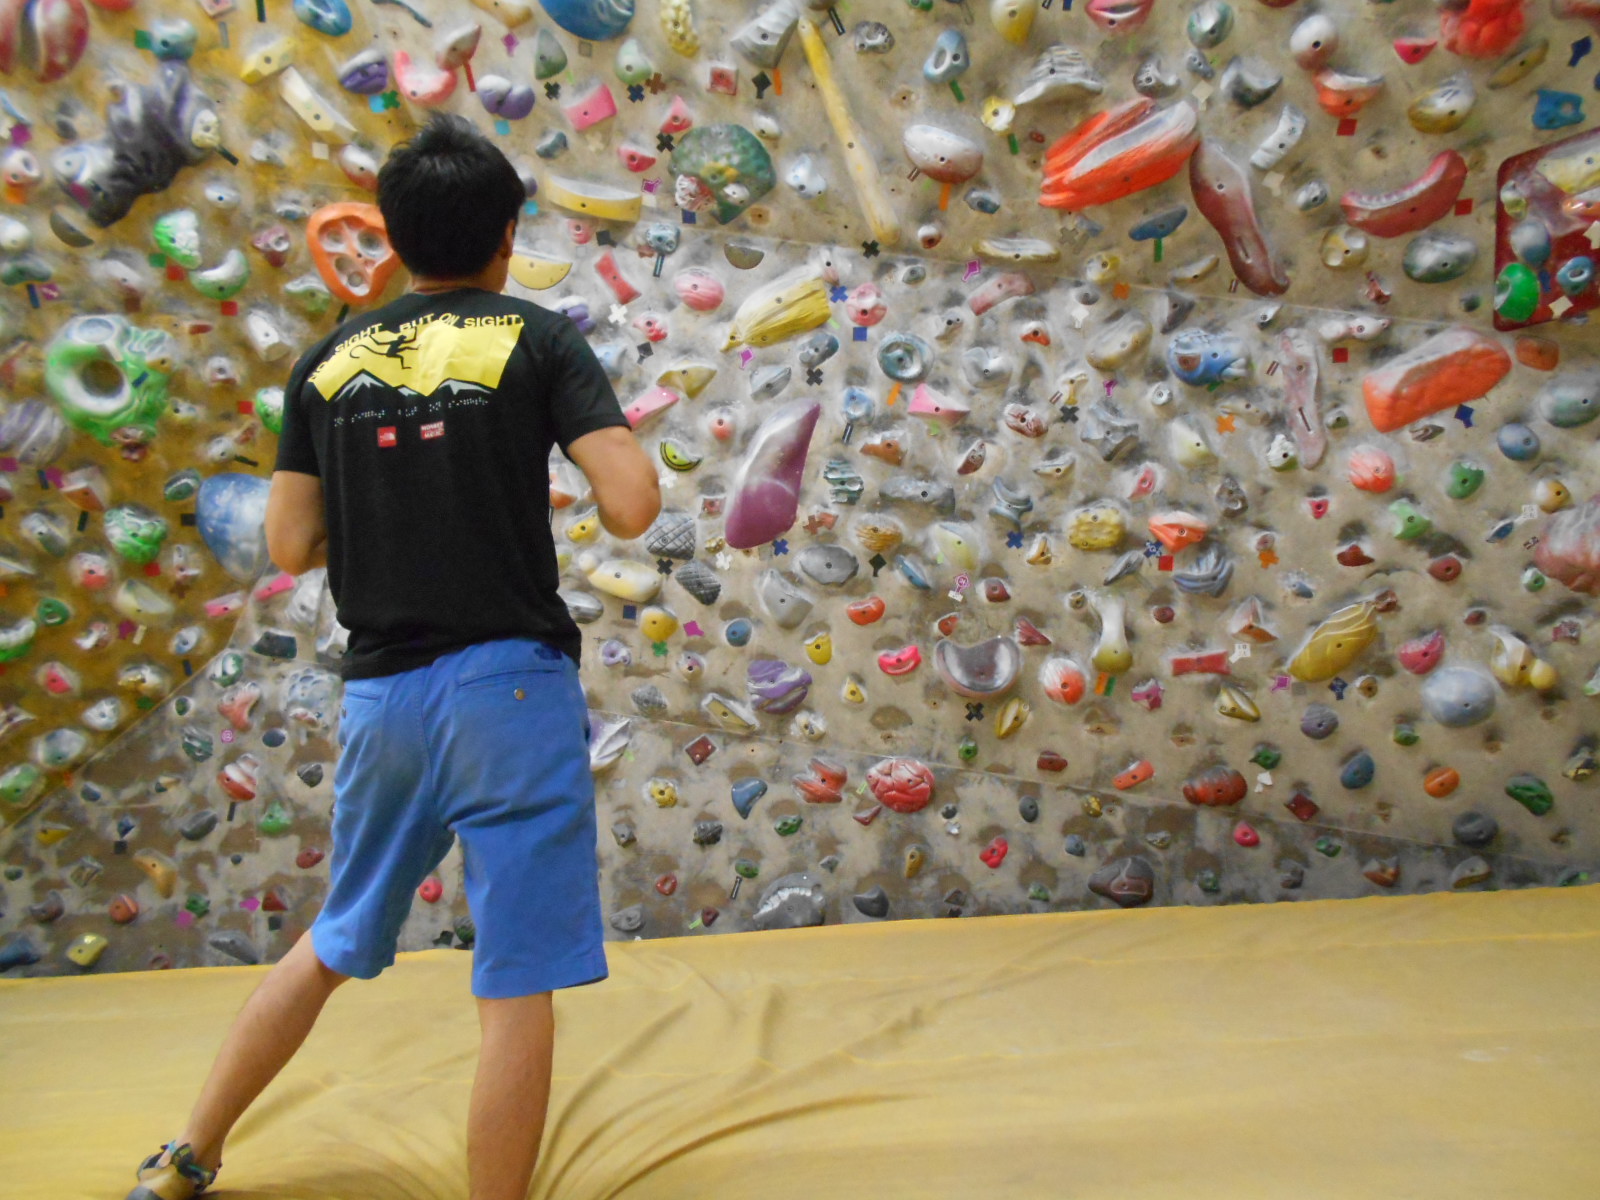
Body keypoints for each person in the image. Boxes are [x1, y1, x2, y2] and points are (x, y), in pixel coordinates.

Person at [128, 113, 661, 1200]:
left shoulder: (325, 364)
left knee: (333, 938)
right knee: (513, 981)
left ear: (395, 239)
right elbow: (632, 506)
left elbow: (288, 545)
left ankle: (189, 1156)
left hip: (384, 700)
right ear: (506, 235)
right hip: (508, 689)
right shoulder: (538, 339)